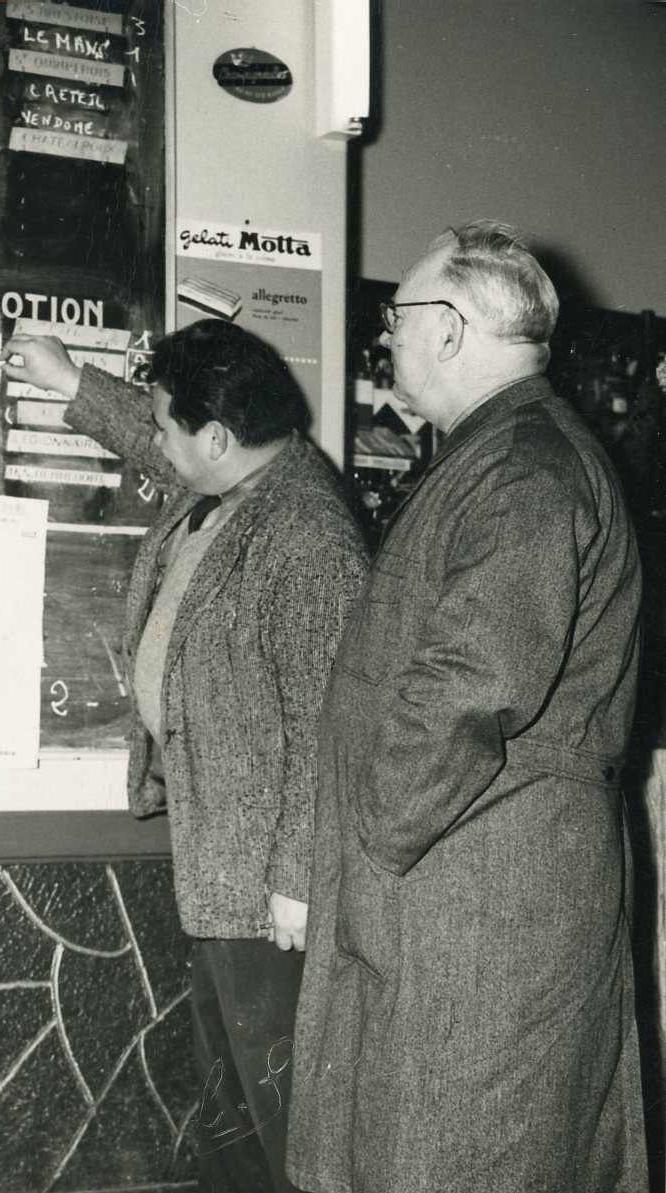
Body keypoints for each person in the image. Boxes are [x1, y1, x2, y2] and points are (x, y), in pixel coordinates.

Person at [287, 221, 649, 1192]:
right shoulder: (503, 452)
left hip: (479, 903)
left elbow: (470, 683)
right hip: (463, 886)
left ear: (447, 329)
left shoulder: (524, 465)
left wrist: (370, 839)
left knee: (464, 1157)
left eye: (397, 318)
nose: (388, 338)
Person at [3, 321, 366, 1192]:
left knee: (279, 1110)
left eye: (168, 426)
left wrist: (297, 878)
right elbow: (155, 439)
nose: (155, 438)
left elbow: (330, 723)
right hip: (220, 857)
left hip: (269, 886)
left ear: (217, 436)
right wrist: (69, 381)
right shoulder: (239, 474)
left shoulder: (311, 539)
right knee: (227, 1093)